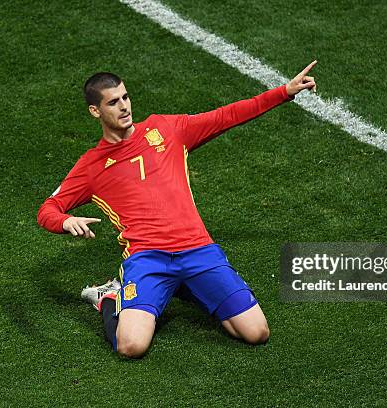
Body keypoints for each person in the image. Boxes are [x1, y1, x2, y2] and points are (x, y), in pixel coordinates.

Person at [37, 61, 318, 358]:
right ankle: (109, 297)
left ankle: (185, 287)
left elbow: (226, 116)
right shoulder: (91, 166)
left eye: (125, 97)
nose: (124, 107)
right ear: (96, 111)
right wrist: (65, 221)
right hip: (147, 259)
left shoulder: (166, 129)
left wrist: (284, 92)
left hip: (198, 250)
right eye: (113, 102)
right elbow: (48, 209)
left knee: (255, 332)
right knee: (131, 346)